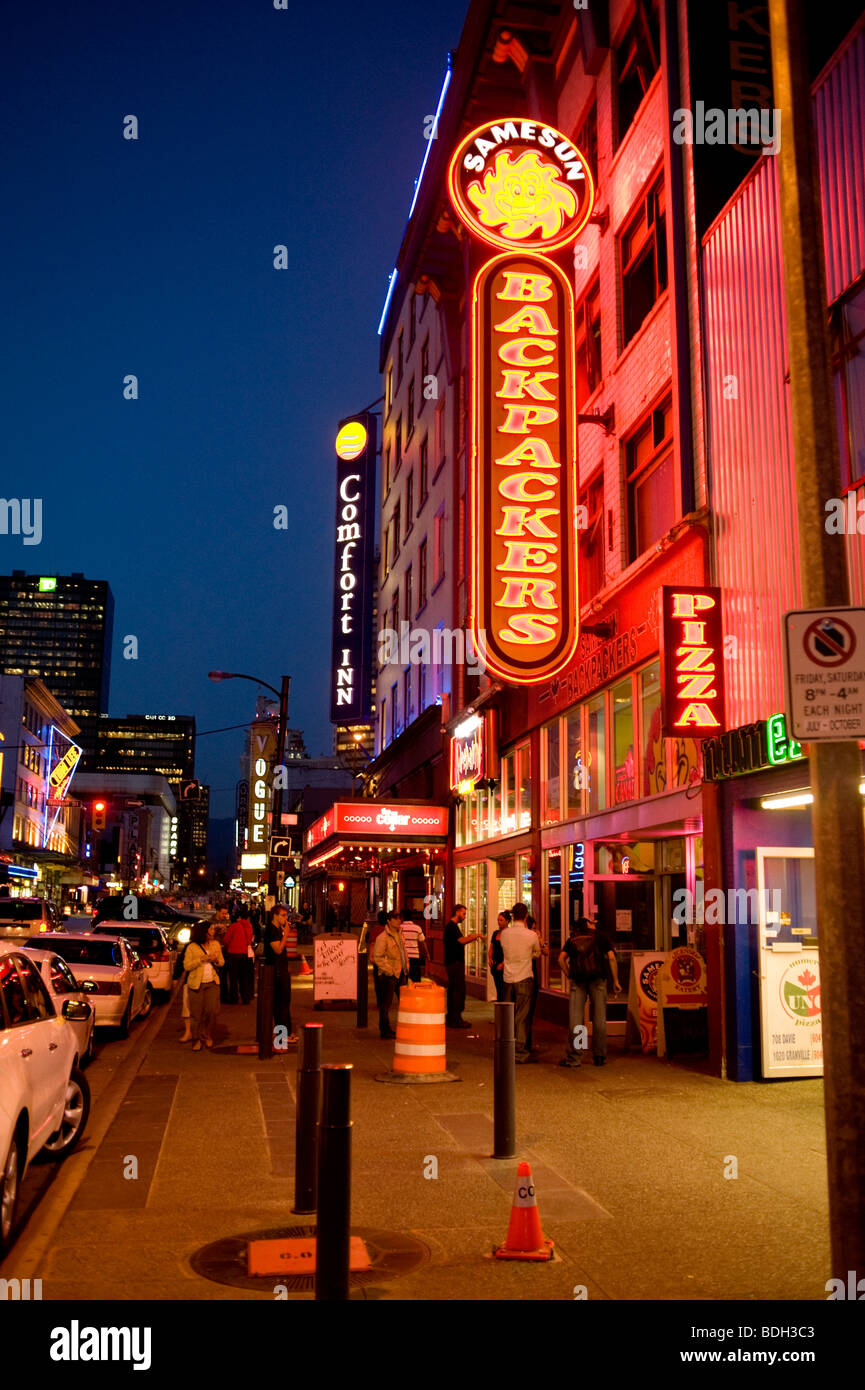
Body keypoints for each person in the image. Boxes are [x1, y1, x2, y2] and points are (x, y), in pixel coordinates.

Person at [558, 913, 621, 1068]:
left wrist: (569, 974)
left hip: (578, 981)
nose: (594, 925)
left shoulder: (572, 939)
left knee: (577, 1020)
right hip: (598, 980)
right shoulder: (601, 937)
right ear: (588, 925)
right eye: (591, 923)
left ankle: (575, 1057)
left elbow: (561, 959)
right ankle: (599, 1056)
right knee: (599, 1018)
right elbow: (612, 958)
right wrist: (616, 981)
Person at [500, 903, 541, 1061]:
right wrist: (528, 956)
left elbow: (504, 950)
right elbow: (537, 953)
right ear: (525, 916)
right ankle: (520, 1052)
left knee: (507, 1015)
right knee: (522, 1016)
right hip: (524, 976)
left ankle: (506, 1048)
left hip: (507, 978)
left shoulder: (505, 934)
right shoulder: (531, 935)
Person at [183, 919, 223, 1051]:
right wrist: (201, 959)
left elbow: (222, 962)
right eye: (211, 929)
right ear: (204, 932)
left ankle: (207, 1035)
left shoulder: (215, 945)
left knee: (212, 1011)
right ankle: (196, 1039)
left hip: (212, 982)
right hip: (196, 984)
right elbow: (187, 966)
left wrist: (215, 960)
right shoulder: (191, 947)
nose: (213, 931)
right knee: (196, 1014)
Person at [263, 904, 298, 1046]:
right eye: (283, 915)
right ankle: (283, 1035)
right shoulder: (272, 930)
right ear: (275, 916)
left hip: (281, 970)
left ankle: (284, 1033)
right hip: (277, 972)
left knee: (283, 1003)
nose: (285, 918)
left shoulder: (278, 929)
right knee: (281, 1004)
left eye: (286, 915)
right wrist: (287, 934)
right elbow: (277, 949)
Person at [443, 904, 482, 1028]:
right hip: (455, 963)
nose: (465, 917)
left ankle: (452, 1017)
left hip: (452, 962)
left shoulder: (451, 927)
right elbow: (461, 941)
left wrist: (470, 937)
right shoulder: (452, 927)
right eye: (464, 914)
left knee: (454, 989)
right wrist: (475, 936)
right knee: (458, 990)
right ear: (457, 912)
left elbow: (460, 940)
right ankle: (456, 1018)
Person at [372, 910, 407, 1038]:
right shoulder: (382, 937)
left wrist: (406, 967)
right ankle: (385, 1030)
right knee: (386, 1004)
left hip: (401, 972)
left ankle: (403, 1027)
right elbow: (378, 957)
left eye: (400, 918)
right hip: (389, 975)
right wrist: (389, 971)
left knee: (404, 1003)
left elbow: (404, 953)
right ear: (389, 920)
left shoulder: (400, 934)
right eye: (396, 918)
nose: (399, 921)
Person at [525, 913, 547, 1052]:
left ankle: (527, 1042)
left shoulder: (534, 937)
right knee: (526, 1011)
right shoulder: (526, 938)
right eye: (532, 928)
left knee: (529, 1011)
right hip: (526, 974)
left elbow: (545, 951)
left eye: (535, 928)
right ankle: (524, 1043)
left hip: (532, 973)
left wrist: (541, 941)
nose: (534, 931)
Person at [223, 910, 254, 1004]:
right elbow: (250, 940)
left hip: (233, 954)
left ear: (239, 917)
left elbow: (226, 939)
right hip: (244, 954)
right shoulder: (249, 926)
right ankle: (245, 998)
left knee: (233, 978)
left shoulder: (234, 925)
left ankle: (234, 998)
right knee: (243, 977)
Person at [488, 910, 510, 1002]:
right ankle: (500, 1009)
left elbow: (510, 951)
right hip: (495, 964)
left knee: (503, 990)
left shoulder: (509, 934)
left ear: (507, 921)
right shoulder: (496, 933)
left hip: (504, 965)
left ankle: (503, 1010)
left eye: (501, 920)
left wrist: (503, 963)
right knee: (498, 988)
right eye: (498, 920)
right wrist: (490, 958)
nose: (499, 922)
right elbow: (491, 948)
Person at [400, 912, 428, 983]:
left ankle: (403, 993)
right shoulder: (417, 928)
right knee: (416, 980)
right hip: (415, 956)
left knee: (402, 979)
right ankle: (415, 992)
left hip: (402, 957)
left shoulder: (399, 928)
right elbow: (422, 942)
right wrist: (427, 954)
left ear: (402, 918)